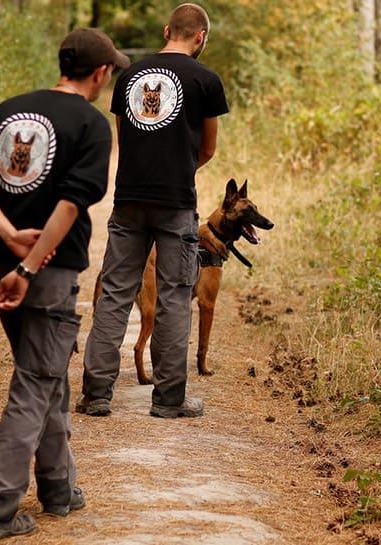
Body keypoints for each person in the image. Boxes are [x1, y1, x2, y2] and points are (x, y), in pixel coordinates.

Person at [0, 28, 130, 540]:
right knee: (34, 382)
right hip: (46, 271)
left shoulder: (8, 110)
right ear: (101, 72)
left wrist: (8, 239)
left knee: (44, 374)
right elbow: (70, 204)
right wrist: (31, 268)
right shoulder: (90, 123)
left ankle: (57, 485)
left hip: (1, 260)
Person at [76, 3, 229, 418]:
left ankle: (96, 393)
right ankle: (168, 399)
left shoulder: (128, 76)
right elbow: (209, 149)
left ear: (167, 31)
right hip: (177, 203)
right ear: (200, 37)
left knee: (114, 294)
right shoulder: (207, 80)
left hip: (128, 200)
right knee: (175, 297)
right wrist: (179, 170)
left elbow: (125, 139)